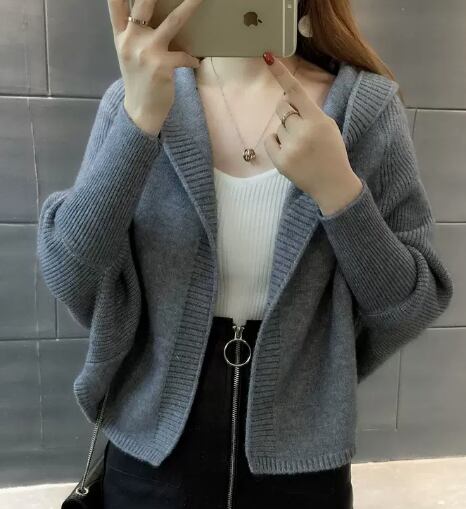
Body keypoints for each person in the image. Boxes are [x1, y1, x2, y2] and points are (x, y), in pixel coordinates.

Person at [36, 0, 454, 508]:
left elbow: (412, 303)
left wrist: (339, 192)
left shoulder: (365, 109)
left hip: (301, 468)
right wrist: (138, 121)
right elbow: (69, 271)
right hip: (151, 458)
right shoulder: (137, 97)